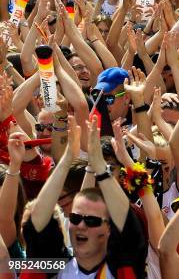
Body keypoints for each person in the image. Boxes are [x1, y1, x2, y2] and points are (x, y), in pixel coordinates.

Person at [23, 118, 148, 278]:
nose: (81, 225)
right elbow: (35, 225)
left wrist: (100, 168)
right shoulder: (55, 269)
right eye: (75, 218)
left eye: (92, 221)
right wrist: (67, 159)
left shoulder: (122, 267)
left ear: (109, 228)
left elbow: (128, 224)